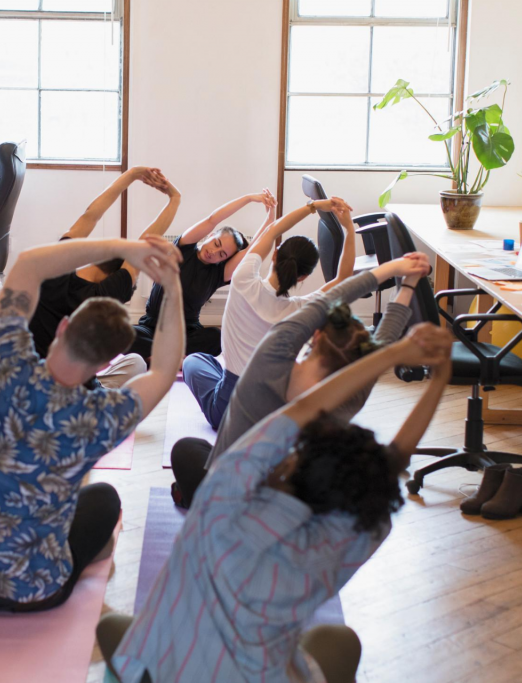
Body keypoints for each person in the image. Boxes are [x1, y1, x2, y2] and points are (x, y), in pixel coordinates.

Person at [97, 324, 455, 683]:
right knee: (339, 640)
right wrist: (440, 380)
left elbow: (305, 408)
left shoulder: (221, 501)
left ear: (290, 466)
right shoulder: (343, 544)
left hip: (164, 669)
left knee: (114, 626)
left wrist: (394, 353)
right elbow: (392, 463)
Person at [0, 235, 186, 612]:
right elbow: (165, 370)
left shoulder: (2, 358)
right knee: (105, 500)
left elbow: (30, 263)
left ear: (62, 328)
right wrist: (172, 286)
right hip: (37, 594)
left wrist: (124, 248)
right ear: (105, 362)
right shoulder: (100, 418)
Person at [170, 250, 431, 509]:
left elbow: (324, 303)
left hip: (227, 499)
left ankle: (195, 497)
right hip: (285, 509)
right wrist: (408, 285)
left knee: (188, 449)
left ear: (316, 336)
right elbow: (384, 342)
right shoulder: (353, 393)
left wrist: (393, 268)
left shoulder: (269, 363)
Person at [183, 196, 359, 429]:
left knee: (193, 361)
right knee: (210, 361)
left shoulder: (243, 279)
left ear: (275, 254)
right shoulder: (302, 309)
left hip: (228, 412)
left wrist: (314, 206)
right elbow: (343, 277)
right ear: (303, 277)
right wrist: (349, 229)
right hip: (271, 406)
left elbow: (274, 229)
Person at [28, 166, 181, 389]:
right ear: (115, 278)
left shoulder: (54, 273)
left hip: (29, 380)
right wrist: (175, 199)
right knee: (136, 362)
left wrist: (131, 175)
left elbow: (90, 216)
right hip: (78, 390)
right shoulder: (105, 295)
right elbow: (145, 245)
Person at [129, 189, 278, 361]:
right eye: (216, 243)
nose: (214, 252)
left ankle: (158, 357)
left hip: (186, 334)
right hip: (151, 328)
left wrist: (270, 218)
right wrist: (249, 198)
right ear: (211, 235)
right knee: (125, 334)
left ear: (225, 259)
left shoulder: (219, 274)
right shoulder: (184, 247)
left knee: (216, 336)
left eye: (222, 254)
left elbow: (252, 250)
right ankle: (175, 359)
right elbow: (213, 219)